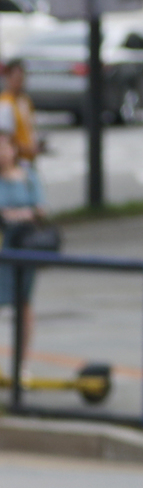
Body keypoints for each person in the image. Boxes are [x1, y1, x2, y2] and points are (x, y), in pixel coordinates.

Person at [0, 130, 46, 354]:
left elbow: (40, 209)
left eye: (5, 147)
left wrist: (17, 215)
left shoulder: (28, 175)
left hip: (24, 247)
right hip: (2, 248)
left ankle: (22, 361)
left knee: (24, 304)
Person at [0, 62, 40, 166]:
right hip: (16, 161)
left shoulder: (25, 100)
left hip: (29, 158)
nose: (19, 83)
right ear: (8, 78)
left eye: (21, 79)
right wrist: (25, 149)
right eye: (16, 79)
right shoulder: (5, 103)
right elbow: (5, 138)